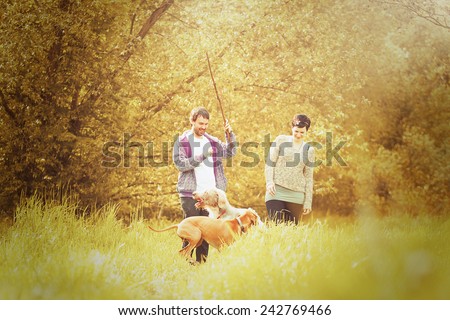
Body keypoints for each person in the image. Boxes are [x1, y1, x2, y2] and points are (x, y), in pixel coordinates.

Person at [173, 107, 237, 263]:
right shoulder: (182, 141)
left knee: (206, 233)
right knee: (192, 232)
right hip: (190, 194)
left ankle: (201, 266)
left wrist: (230, 135)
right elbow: (180, 164)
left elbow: (230, 152)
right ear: (192, 121)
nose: (203, 127)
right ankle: (185, 263)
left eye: (206, 124)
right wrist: (202, 155)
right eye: (200, 123)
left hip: (210, 198)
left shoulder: (212, 141)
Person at [264, 114, 315, 224]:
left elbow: (309, 177)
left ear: (306, 131)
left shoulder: (309, 150)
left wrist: (308, 201)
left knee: (290, 232)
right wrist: (269, 182)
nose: (298, 135)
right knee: (275, 226)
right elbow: (270, 163)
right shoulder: (280, 140)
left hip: (297, 195)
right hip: (276, 191)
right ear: (292, 128)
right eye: (296, 131)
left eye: (302, 132)